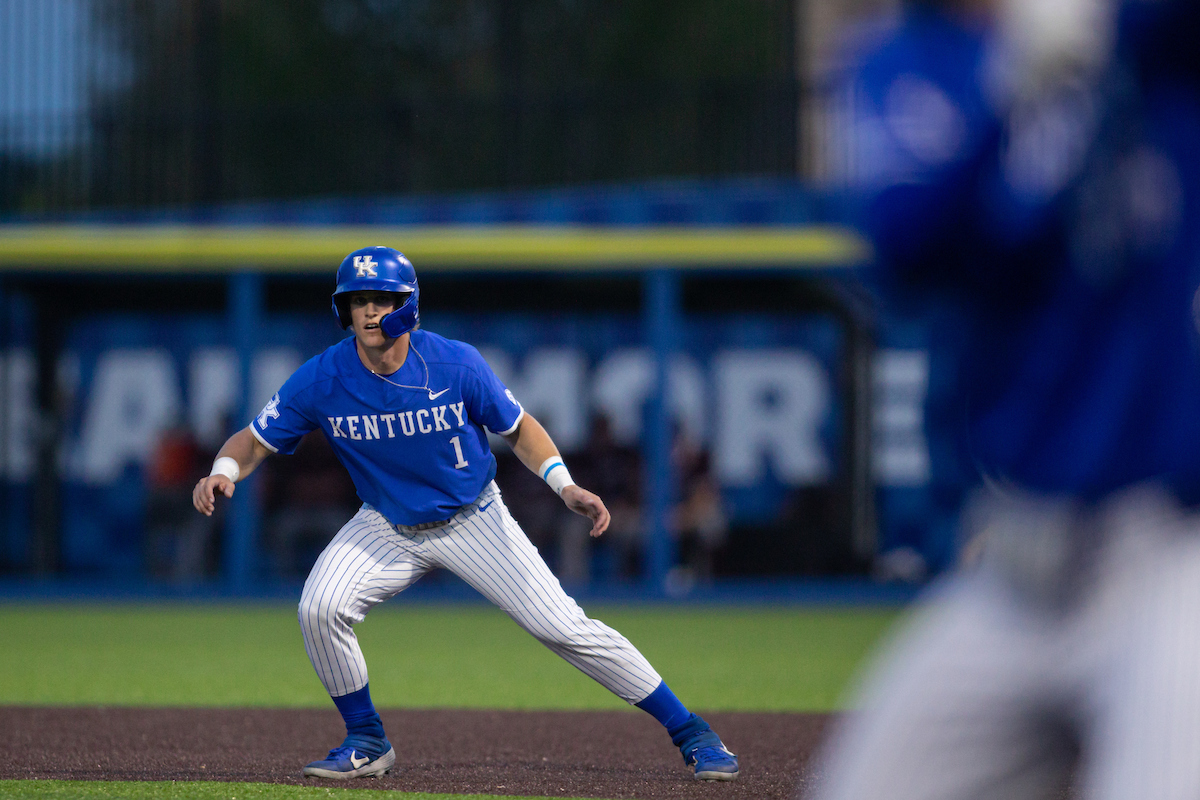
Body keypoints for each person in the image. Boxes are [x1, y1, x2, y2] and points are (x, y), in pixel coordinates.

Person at [804, 0, 1200, 798]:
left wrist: (1105, 27)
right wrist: (1009, 91)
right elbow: (905, 237)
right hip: (1018, 573)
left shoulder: (1151, 45)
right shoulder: (908, 60)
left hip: (1166, 557)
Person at [191, 246, 738, 782]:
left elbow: (519, 427)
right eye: (358, 300)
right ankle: (366, 739)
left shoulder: (455, 362)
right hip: (385, 524)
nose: (371, 311)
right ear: (344, 311)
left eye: (384, 298)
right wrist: (224, 469)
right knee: (318, 608)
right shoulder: (322, 377)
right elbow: (255, 439)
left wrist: (563, 484)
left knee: (565, 629)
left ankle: (692, 732)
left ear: (409, 304)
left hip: (473, 518)